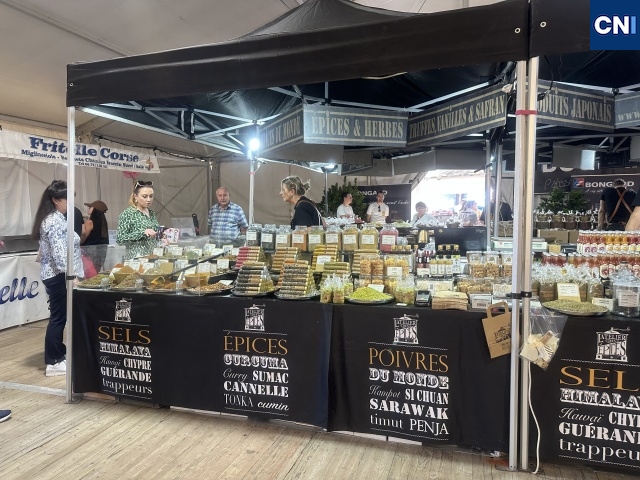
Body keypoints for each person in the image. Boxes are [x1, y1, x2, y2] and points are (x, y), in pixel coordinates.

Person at [31, 180, 83, 377]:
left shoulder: (58, 218)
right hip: (59, 276)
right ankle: (53, 361)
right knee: (58, 318)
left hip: (60, 275)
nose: (70, 203)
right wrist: (71, 276)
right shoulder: (53, 221)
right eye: (66, 199)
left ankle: (59, 354)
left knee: (60, 317)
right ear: (55, 200)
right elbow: (60, 254)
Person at [116, 180, 159, 259]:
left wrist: (162, 237)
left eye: (151, 196)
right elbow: (120, 239)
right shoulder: (128, 214)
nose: (149, 200)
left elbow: (154, 234)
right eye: (144, 196)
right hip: (136, 259)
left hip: (152, 257)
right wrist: (142, 233)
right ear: (135, 196)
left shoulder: (151, 213)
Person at [82, 200, 110, 271]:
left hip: (89, 252)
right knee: (95, 272)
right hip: (100, 253)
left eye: (90, 207)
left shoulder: (90, 222)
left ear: (95, 209)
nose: (89, 208)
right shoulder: (103, 223)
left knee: (88, 273)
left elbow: (83, 236)